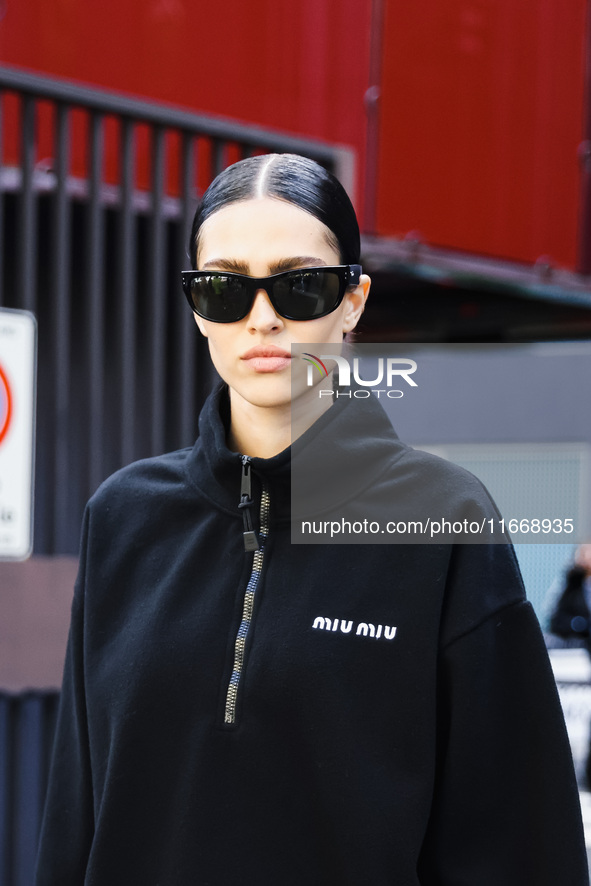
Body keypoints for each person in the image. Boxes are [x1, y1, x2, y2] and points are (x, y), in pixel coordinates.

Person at [36, 153, 588, 885]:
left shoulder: (443, 519)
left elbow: (519, 839)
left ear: (352, 301)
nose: (260, 317)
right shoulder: (125, 516)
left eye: (299, 285)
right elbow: (77, 812)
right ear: (196, 307)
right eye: (223, 287)